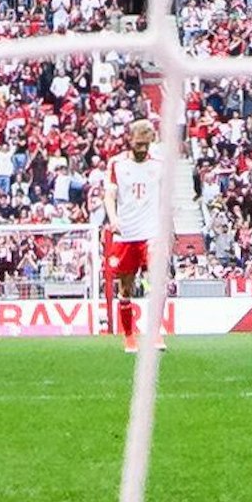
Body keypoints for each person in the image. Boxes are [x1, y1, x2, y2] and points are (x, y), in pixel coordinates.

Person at [102, 119, 161, 353]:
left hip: (151, 232)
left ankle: (155, 332)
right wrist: (113, 218)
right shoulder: (117, 164)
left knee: (157, 282)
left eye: (147, 144)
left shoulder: (159, 165)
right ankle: (129, 336)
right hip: (126, 233)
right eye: (139, 144)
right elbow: (109, 195)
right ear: (130, 140)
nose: (143, 149)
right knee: (126, 288)